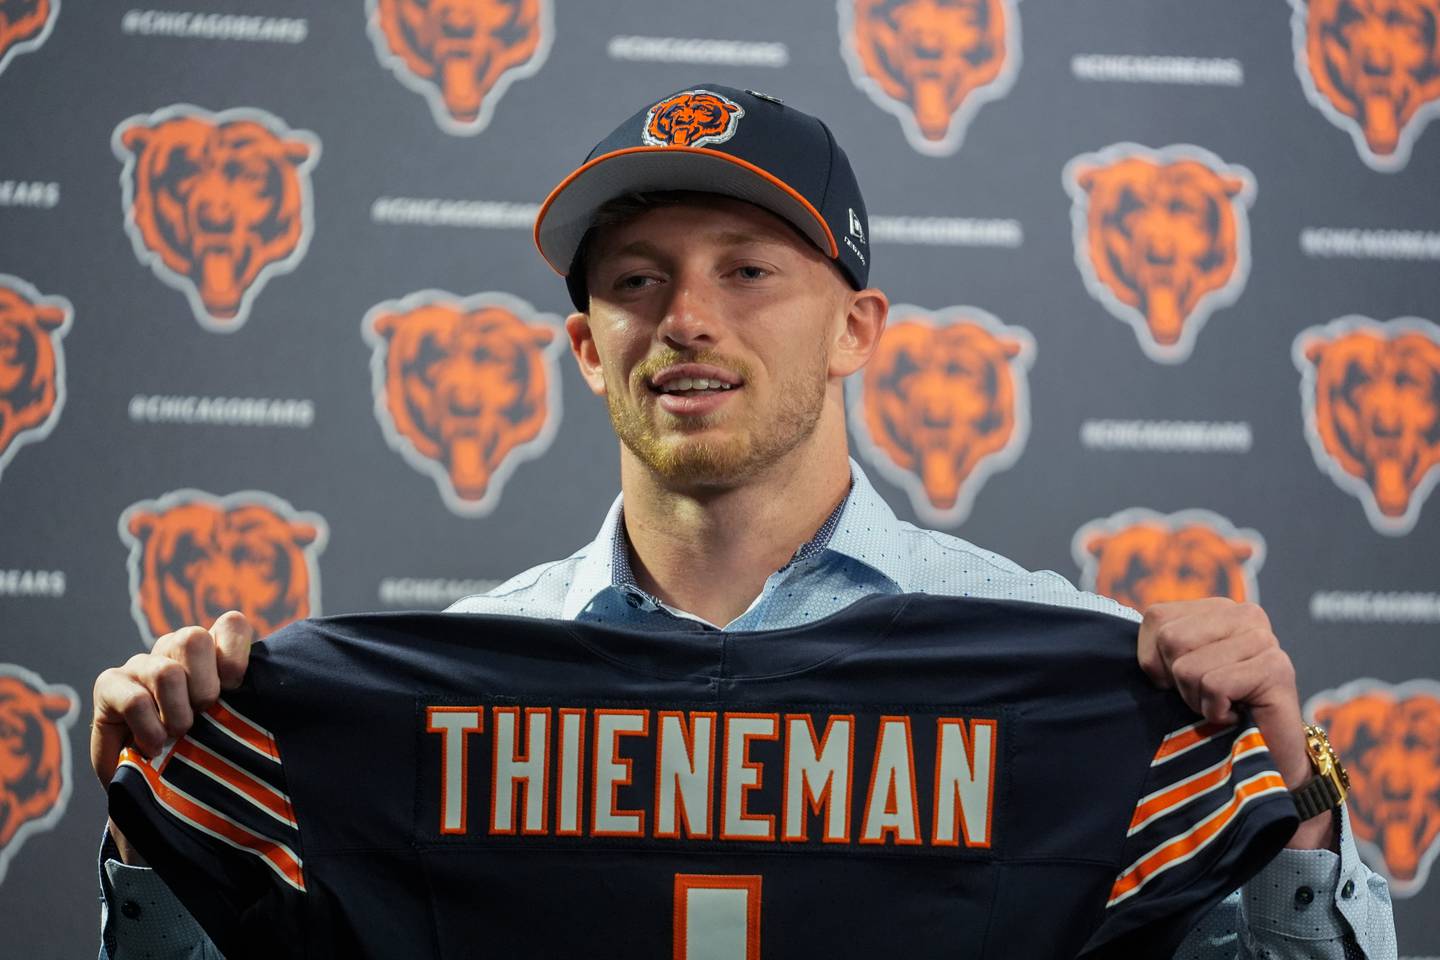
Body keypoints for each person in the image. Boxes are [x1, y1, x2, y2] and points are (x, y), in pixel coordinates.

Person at [91, 83, 1396, 959]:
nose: (688, 317)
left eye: (750, 269)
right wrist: (169, 795)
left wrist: (1292, 803)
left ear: (858, 328)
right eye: (636, 281)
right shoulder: (443, 698)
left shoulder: (1085, 670)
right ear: (590, 351)